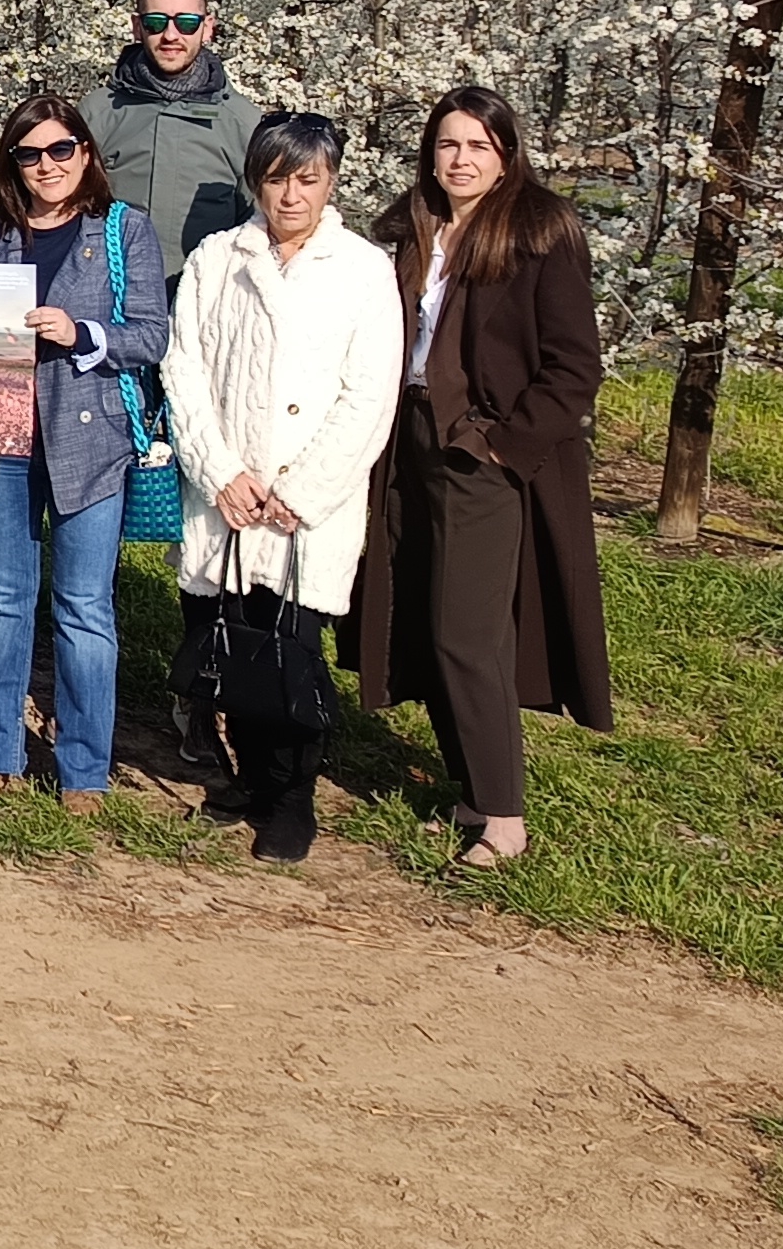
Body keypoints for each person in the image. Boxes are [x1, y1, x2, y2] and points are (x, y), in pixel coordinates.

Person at [353, 87, 615, 873]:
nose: (460, 159)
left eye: (477, 145)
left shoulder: (539, 229)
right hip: (405, 441)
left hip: (480, 452)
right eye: (447, 144)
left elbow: (575, 364)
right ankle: (468, 793)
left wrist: (503, 447)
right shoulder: (410, 228)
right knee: (420, 616)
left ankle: (504, 814)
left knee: (468, 632)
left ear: (506, 154)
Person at [164, 110, 402, 863]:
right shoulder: (216, 258)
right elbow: (186, 368)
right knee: (226, 635)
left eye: (307, 179)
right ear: (256, 181)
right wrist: (220, 470)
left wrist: (302, 489)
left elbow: (370, 393)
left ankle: (292, 794)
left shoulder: (364, 269)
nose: (291, 195)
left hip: (306, 503)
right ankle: (243, 778)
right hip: (230, 491)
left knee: (292, 649)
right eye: (277, 178)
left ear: (330, 181)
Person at [0, 91, 169, 808]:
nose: (46, 165)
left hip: (91, 439)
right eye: (30, 153)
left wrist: (81, 332)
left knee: (84, 607)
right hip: (4, 437)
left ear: (86, 152)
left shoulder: (123, 230)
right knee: (4, 599)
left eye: (60, 149)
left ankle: (84, 767)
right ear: (11, 163)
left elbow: (151, 334)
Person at [83, 0, 260, 287]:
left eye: (187, 22)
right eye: (155, 22)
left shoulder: (242, 122)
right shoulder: (98, 113)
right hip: (110, 302)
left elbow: (260, 227)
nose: (171, 36)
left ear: (208, 28)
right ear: (137, 27)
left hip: (204, 304)